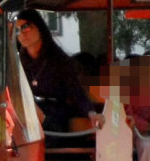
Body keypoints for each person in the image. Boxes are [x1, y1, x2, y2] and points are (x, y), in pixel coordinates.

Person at [16, 9, 96, 145]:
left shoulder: (59, 60)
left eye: (26, 27)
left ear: (40, 28)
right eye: (17, 30)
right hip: (28, 113)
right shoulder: (18, 61)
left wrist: (91, 113)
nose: (22, 33)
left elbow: (76, 92)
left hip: (55, 114)